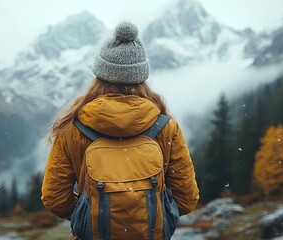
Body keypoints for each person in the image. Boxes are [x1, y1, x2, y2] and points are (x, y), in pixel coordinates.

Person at [41, 21, 199, 240]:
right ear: (142, 77)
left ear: (99, 75)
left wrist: (91, 216)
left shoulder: (72, 128)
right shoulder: (165, 127)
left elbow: (54, 197)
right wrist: (150, 219)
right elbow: (187, 199)